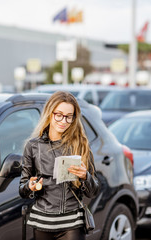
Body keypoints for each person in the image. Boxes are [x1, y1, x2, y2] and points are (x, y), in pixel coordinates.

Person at [19, 91, 100, 240]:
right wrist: (30, 186)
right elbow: (22, 190)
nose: (63, 121)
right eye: (59, 115)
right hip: (43, 223)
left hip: (72, 223)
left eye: (69, 117)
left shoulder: (80, 145)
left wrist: (85, 176)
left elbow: (93, 191)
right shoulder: (33, 146)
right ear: (50, 113)